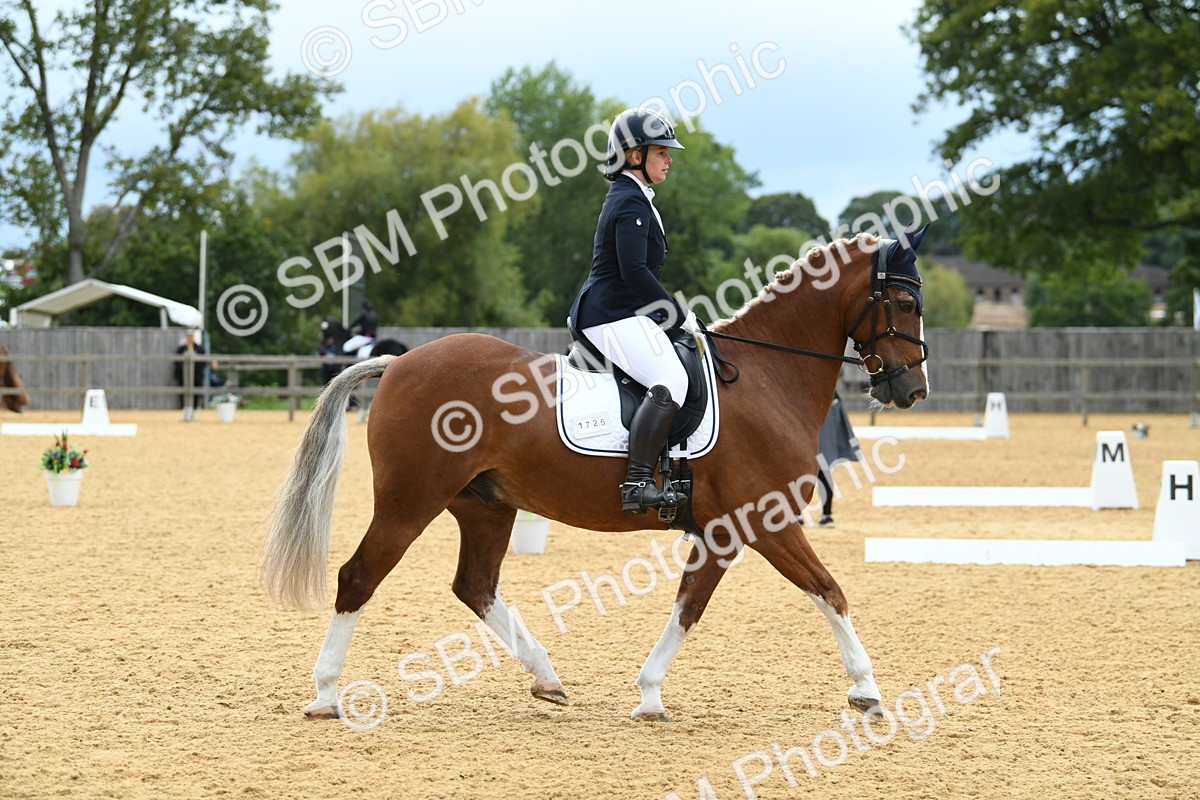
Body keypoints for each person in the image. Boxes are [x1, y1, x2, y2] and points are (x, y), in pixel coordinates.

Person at [568, 108, 698, 514]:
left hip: (622, 311)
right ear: (635, 155)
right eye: (661, 151)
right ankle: (638, 482)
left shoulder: (635, 197)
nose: (669, 158)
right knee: (671, 379)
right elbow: (634, 271)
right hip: (609, 313)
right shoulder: (630, 201)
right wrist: (676, 313)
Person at [813, 391, 860, 527]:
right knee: (821, 471)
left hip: (824, 407)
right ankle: (825, 515)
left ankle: (825, 514)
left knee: (822, 470)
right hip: (824, 405)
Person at [174, 330, 207, 409]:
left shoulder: (200, 349)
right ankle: (183, 407)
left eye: (191, 336)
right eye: (188, 336)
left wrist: (195, 370)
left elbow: (203, 362)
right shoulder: (181, 349)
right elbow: (177, 361)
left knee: (196, 391)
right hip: (183, 374)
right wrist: (183, 369)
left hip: (196, 375)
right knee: (183, 391)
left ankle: (195, 407)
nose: (190, 338)